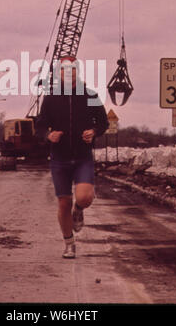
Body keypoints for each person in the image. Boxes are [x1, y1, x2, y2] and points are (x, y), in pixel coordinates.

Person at [35, 55, 109, 258]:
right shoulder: (50, 97)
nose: (69, 72)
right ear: (58, 73)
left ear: (78, 71)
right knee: (63, 203)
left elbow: (103, 123)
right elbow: (40, 125)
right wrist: (48, 135)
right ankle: (69, 243)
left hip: (82, 156)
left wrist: (93, 132)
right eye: (64, 69)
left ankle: (79, 209)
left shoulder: (90, 95)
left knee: (85, 197)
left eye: (73, 69)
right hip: (59, 158)